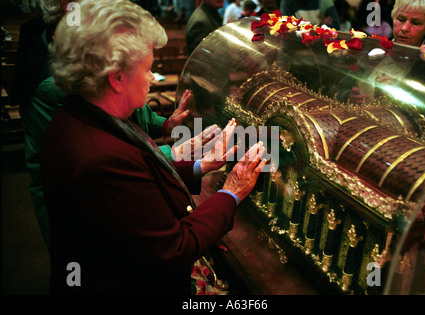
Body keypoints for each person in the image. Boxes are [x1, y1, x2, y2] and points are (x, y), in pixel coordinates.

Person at [41, 0, 267, 295]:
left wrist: (203, 164)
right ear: (117, 77)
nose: (151, 78)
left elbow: (138, 180)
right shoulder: (99, 157)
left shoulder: (88, 111)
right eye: (147, 69)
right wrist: (231, 191)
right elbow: (174, 247)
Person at [9, 0, 191, 248]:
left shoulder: (83, 44)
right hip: (70, 195)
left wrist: (165, 124)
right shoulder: (59, 82)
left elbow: (127, 107)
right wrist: (178, 153)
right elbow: (116, 155)